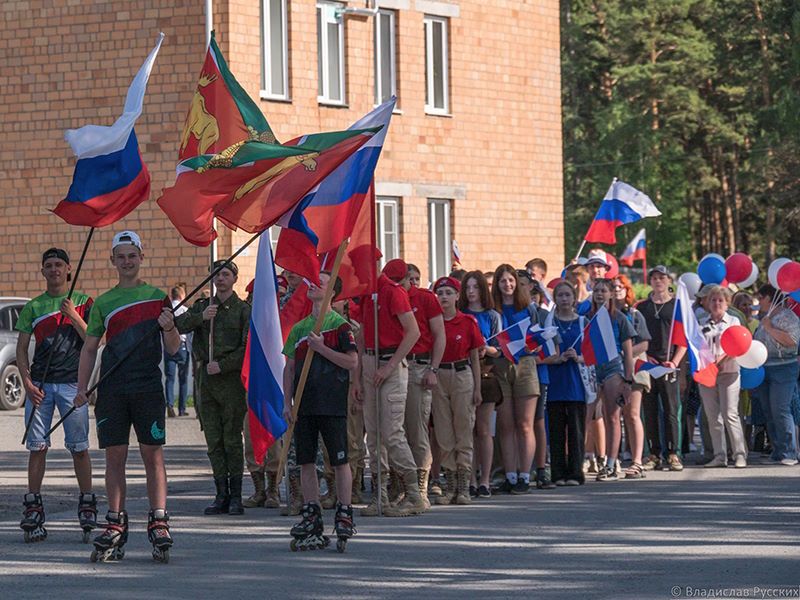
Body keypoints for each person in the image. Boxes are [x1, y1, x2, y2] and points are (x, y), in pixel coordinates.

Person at [74, 231, 178, 562]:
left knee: (153, 455)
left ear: (141, 258)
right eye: (121, 256)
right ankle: (115, 521)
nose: (127, 261)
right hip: (112, 389)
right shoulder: (103, 302)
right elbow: (90, 348)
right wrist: (81, 388)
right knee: (114, 457)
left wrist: (168, 327)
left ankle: (159, 519)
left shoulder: (158, 297)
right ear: (113, 261)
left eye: (132, 255)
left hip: (148, 385)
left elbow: (174, 348)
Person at [16, 247, 95, 543]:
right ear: (42, 271)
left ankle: (87, 500)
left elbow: (93, 340)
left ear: (69, 269)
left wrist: (73, 315)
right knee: (37, 446)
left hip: (73, 385)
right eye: (48, 265)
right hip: (41, 386)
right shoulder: (33, 307)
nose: (54, 270)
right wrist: (27, 383)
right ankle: (33, 503)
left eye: (59, 265)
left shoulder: (84, 302)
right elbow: (22, 350)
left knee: (79, 447)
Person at [283, 271, 358, 550]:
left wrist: (322, 348)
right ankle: (311, 511)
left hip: (332, 403)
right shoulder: (299, 328)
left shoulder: (340, 326)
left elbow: (351, 362)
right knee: (305, 460)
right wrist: (286, 403)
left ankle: (344, 510)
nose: (314, 285)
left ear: (332, 293)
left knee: (339, 459)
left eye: (321, 283)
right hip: (305, 404)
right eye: (313, 281)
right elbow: (290, 367)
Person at [172, 260, 251, 516]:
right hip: (206, 380)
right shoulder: (204, 306)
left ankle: (236, 495)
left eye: (225, 274)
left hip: (230, 381)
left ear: (234, 279)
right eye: (216, 275)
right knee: (213, 439)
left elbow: (246, 348)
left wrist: (224, 365)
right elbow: (178, 324)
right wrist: (200, 317)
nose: (220, 279)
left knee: (232, 439)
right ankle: (221, 494)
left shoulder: (242, 310)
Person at [355, 259, 424, 517]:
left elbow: (413, 332)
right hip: (371, 361)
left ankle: (414, 494)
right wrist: (360, 375)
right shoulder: (365, 295)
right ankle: (380, 495)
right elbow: (362, 335)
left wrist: (389, 366)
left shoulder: (393, 291)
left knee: (392, 431)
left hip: (390, 362)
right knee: (372, 434)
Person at [385, 259, 444, 510]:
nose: (407, 283)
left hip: (419, 366)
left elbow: (440, 334)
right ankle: (399, 482)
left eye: (411, 279)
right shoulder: (389, 296)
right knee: (394, 428)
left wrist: (433, 368)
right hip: (396, 364)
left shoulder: (426, 298)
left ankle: (420, 484)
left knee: (417, 427)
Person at [429, 276, 483, 505]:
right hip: (439, 375)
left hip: (461, 375)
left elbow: (475, 356)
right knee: (443, 431)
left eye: (449, 293)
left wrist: (478, 388)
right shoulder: (432, 322)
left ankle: (464, 485)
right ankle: (450, 484)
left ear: (457, 296)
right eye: (440, 293)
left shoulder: (467, 322)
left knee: (463, 429)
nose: (444, 297)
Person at [491, 264, 540, 494]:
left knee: (524, 424)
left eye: (511, 281)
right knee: (506, 424)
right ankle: (509, 476)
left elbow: (538, 340)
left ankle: (524, 475)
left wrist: (532, 342)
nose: (508, 285)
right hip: (501, 366)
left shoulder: (528, 308)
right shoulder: (494, 311)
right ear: (497, 285)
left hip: (526, 365)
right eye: (503, 281)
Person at [638, 266, 686, 472]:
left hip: (669, 364)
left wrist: (674, 362)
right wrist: (644, 356)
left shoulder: (677, 307)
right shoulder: (641, 307)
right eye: (654, 278)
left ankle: (673, 452)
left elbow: (683, 339)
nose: (658, 281)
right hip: (648, 363)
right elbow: (637, 336)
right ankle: (653, 453)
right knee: (648, 410)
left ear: (669, 281)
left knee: (670, 410)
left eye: (662, 278)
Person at [587, 279, 636, 481]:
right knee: (588, 415)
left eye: (604, 290)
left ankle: (610, 464)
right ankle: (582, 458)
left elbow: (628, 351)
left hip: (612, 366)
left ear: (610, 294)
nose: (600, 294)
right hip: (590, 365)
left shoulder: (620, 318)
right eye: (597, 290)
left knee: (612, 416)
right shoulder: (586, 317)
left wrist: (628, 380)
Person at [459, 271, 502, 497]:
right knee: (467, 429)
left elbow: (500, 348)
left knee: (484, 430)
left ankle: (485, 479)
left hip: (486, 374)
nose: (471, 291)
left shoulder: (492, 315)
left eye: (476, 287)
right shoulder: (460, 314)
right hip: (463, 372)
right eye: (468, 287)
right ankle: (470, 478)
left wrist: (487, 349)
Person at [697, 286, 747, 468]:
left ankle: (739, 454)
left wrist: (721, 357)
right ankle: (719, 456)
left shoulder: (733, 321)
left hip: (729, 372)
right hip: (707, 374)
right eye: (713, 300)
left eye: (720, 300)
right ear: (708, 303)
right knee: (713, 416)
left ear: (727, 303)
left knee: (730, 414)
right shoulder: (701, 322)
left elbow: (739, 344)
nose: (717, 303)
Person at [542, 281, 585, 485]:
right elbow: (543, 350)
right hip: (555, 381)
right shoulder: (549, 322)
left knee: (576, 430)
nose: (564, 299)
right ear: (555, 298)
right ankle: (558, 472)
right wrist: (555, 358)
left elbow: (593, 355)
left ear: (574, 298)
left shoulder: (583, 322)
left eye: (568, 295)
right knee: (556, 429)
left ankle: (576, 472)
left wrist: (579, 357)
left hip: (577, 382)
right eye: (560, 295)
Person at [518, 270, 555, 489]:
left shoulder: (540, 314)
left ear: (531, 288)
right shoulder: (507, 311)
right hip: (514, 373)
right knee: (517, 424)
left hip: (537, 374)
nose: (519, 288)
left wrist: (532, 358)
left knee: (537, 422)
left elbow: (552, 349)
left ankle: (541, 469)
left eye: (523, 284)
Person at [754, 284, 800, 466]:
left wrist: (770, 328)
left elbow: (793, 341)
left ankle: (789, 451)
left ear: (768, 298)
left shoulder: (788, 316)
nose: (758, 302)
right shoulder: (763, 318)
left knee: (780, 408)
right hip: (764, 368)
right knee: (768, 410)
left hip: (784, 367)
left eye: (760, 298)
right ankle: (778, 450)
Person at [613, 275, 651, 478]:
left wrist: (625, 353)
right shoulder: (606, 315)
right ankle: (612, 458)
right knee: (614, 416)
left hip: (635, 368)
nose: (617, 290)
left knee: (632, 414)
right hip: (611, 371)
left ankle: (638, 460)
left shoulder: (635, 315)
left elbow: (644, 343)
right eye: (613, 287)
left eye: (621, 286)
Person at [164, 285, 190, 417]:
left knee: (169, 377)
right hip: (182, 346)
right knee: (183, 378)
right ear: (181, 296)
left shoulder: (168, 310)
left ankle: (169, 403)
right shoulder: (184, 310)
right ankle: (182, 408)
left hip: (168, 346)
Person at [577, 249, 611, 315]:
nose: (595, 270)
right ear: (587, 269)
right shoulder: (582, 290)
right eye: (592, 266)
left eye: (599, 266)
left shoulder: (612, 290)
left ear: (606, 269)